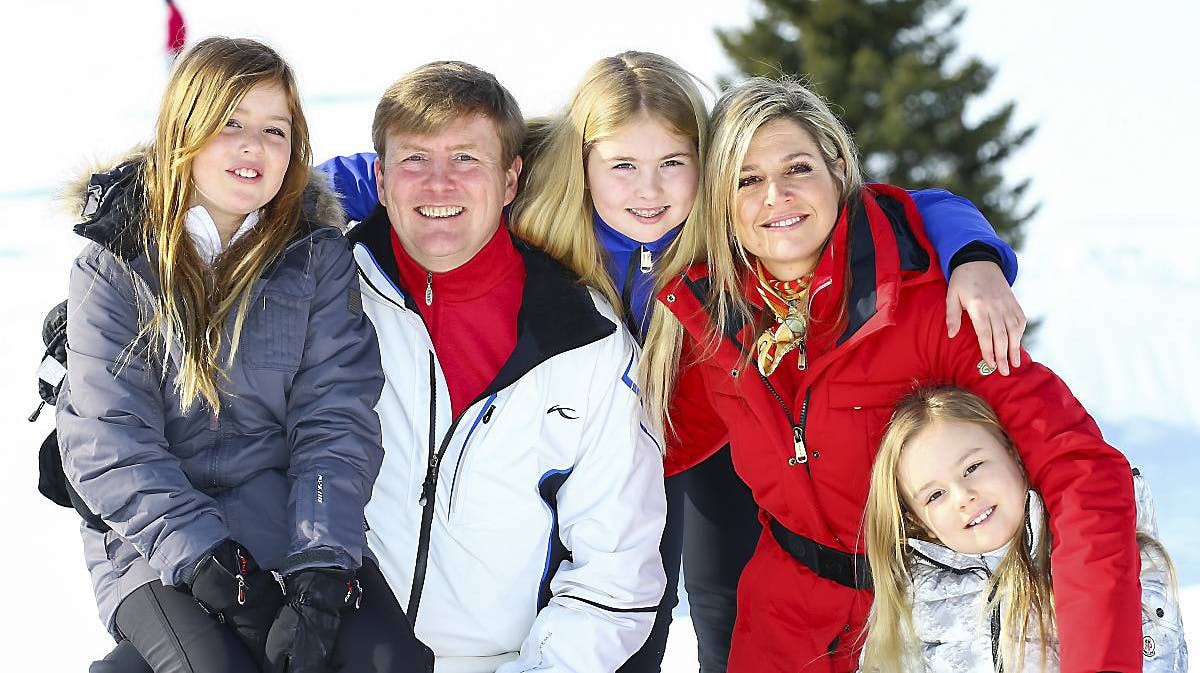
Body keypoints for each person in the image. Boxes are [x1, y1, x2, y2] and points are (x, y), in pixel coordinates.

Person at [320, 52, 1025, 673]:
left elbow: (910, 206)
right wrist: (288, 199)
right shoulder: (533, 182)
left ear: (703, 163)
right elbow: (384, 169)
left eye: (672, 165)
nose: (648, 191)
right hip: (583, 429)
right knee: (620, 607)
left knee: (719, 592)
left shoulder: (733, 211)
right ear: (583, 159)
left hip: (700, 430)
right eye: (622, 165)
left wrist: (975, 257)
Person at [643, 75, 1143, 673]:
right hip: (779, 626)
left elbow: (1082, 474)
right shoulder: (713, 324)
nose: (775, 194)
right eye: (747, 179)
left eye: (798, 168)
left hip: (922, 625)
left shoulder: (933, 309)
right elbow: (646, 449)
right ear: (720, 202)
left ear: (837, 170)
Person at [57, 37, 431, 673]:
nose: (253, 147)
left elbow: (334, 420)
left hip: (288, 522)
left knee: (387, 661)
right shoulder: (116, 259)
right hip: (156, 543)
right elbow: (109, 442)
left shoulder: (316, 257)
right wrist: (214, 568)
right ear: (186, 130)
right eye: (230, 122)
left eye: (274, 129)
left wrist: (320, 566)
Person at [344, 60, 667, 673]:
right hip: (333, 650)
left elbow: (616, 573)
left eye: (466, 159)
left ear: (512, 178)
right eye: (415, 160)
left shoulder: (586, 340)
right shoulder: (325, 298)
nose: (439, 185)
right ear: (381, 180)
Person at [860, 386, 1188, 673]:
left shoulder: (1097, 562)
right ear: (919, 521)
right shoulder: (912, 603)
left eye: (972, 467)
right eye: (935, 495)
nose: (963, 496)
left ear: (1015, 457)